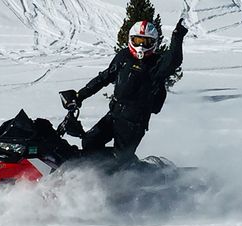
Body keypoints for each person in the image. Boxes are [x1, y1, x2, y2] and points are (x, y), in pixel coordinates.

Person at [63, 18, 188, 165]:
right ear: (130, 39)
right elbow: (104, 77)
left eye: (146, 42)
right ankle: (95, 172)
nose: (141, 46)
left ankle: (140, 173)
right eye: (137, 40)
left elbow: (173, 60)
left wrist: (177, 36)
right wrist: (80, 95)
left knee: (120, 159)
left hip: (135, 121)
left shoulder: (157, 64)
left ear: (154, 43)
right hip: (115, 113)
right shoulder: (124, 57)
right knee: (90, 142)